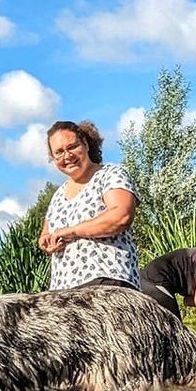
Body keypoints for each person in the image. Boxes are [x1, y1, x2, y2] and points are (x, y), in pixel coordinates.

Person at [38, 120, 141, 290]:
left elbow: (121, 216)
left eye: (72, 147)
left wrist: (72, 231)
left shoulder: (110, 174)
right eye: (59, 152)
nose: (67, 156)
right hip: (63, 292)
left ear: (85, 144)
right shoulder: (57, 194)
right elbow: (46, 232)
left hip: (107, 282)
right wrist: (46, 242)